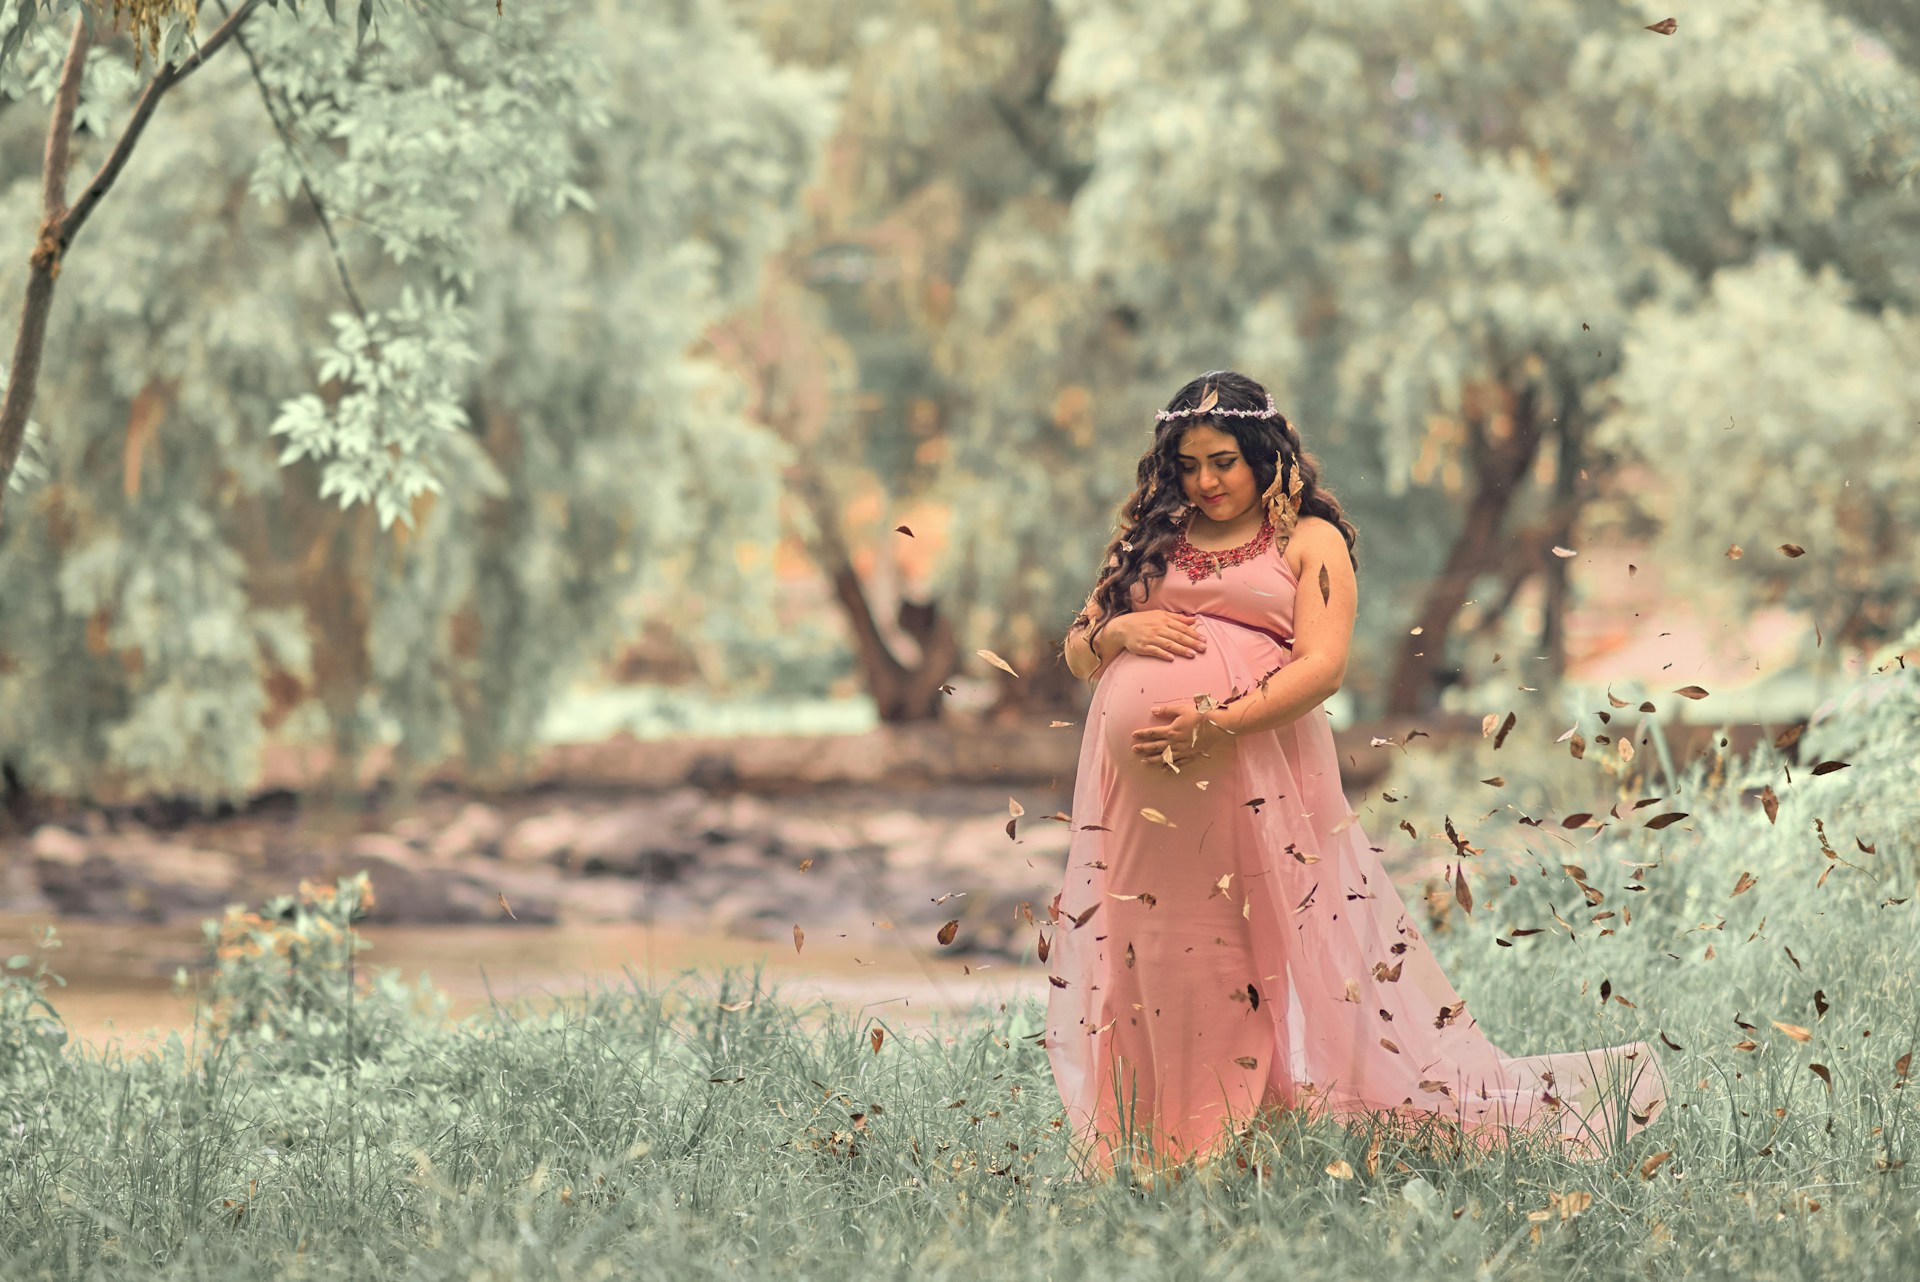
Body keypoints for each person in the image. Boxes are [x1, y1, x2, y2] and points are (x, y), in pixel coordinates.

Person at [1047, 370, 1668, 1184]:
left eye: (1225, 460)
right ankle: (1142, 1142)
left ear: (1269, 454)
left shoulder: (1309, 540)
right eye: (1191, 464)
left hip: (1245, 783)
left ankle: (1230, 1142)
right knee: (1144, 949)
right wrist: (1122, 627)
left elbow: (1324, 668)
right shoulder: (1157, 539)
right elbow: (1078, 649)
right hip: (1140, 805)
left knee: (1233, 952)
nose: (1207, 481)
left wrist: (1215, 722)